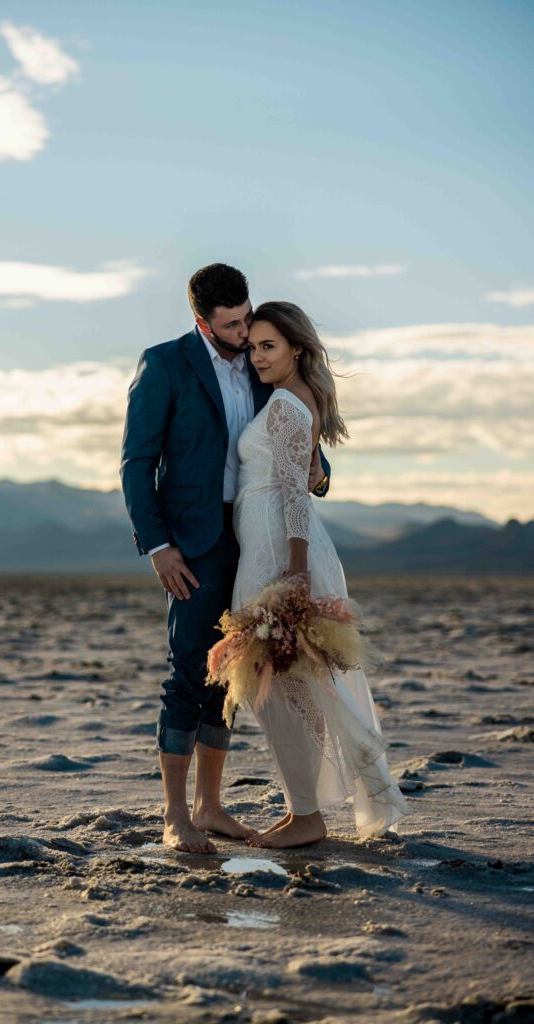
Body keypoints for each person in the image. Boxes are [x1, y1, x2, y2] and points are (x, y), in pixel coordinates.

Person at [120, 266, 331, 854]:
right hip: (194, 542)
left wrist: (320, 472)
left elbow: (298, 429)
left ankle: (210, 807)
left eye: (247, 318)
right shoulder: (164, 364)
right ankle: (174, 816)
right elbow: (137, 461)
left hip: (256, 534)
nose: (244, 333)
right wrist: (157, 545)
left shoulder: (266, 360)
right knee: (190, 668)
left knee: (232, 673)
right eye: (232, 324)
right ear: (201, 321)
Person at [232, 301, 409, 848]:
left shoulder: (286, 406)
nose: (258, 357)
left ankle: (307, 814)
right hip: (271, 545)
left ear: (297, 350)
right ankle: (301, 809)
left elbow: (293, 496)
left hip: (278, 554)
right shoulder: (293, 400)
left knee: (283, 685)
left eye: (270, 347)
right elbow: (304, 479)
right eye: (254, 346)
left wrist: (297, 571)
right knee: (291, 685)